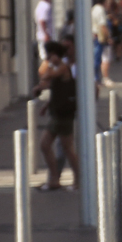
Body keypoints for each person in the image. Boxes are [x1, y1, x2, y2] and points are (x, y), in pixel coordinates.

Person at [35, 41, 80, 191]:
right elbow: (54, 88)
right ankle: (55, 179)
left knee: (67, 149)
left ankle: (77, 179)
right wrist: (46, 106)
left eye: (49, 54)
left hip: (64, 115)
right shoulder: (58, 68)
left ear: (55, 54)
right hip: (57, 114)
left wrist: (47, 67)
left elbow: (47, 75)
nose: (47, 57)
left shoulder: (62, 68)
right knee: (46, 145)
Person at [91, 0, 108, 86]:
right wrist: (108, 36)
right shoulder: (100, 10)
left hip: (94, 35)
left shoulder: (94, 9)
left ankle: (96, 78)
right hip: (99, 36)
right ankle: (96, 78)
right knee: (97, 58)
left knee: (96, 57)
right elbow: (102, 24)